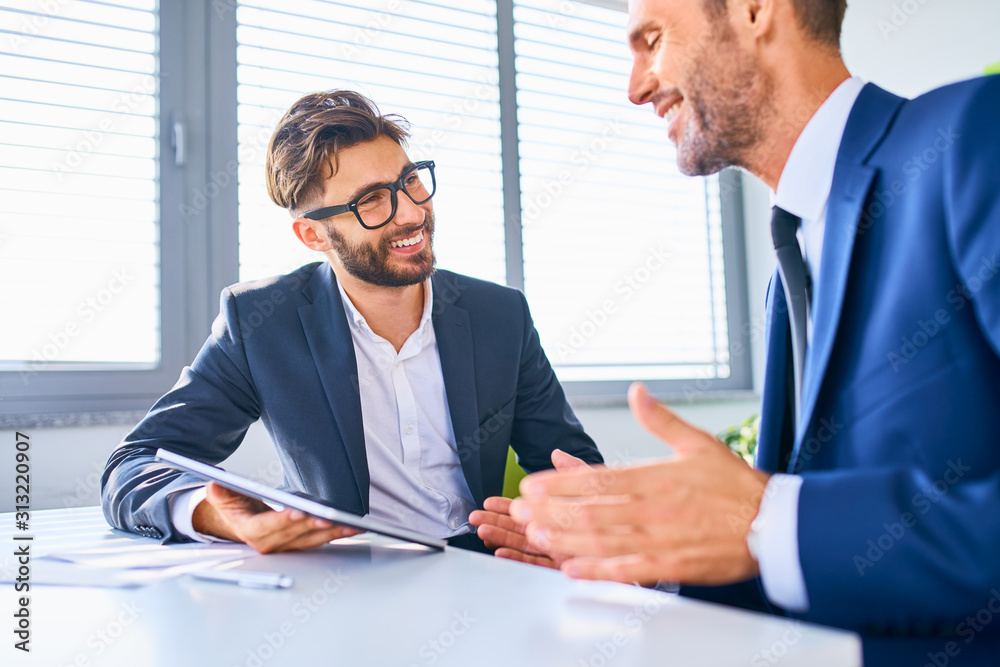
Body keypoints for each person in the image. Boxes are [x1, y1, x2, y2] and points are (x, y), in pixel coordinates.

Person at [472, 0, 1000, 662]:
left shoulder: (977, 135)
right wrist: (658, 558)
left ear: (755, 10)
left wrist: (769, 522)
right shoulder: (790, 272)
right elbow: (808, 564)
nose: (635, 88)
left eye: (654, 40)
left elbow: (788, 528)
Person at [101, 90, 603, 555]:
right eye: (371, 201)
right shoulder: (260, 323)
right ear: (313, 236)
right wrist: (221, 518)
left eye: (410, 180)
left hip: (483, 564)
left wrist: (580, 508)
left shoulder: (501, 315)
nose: (410, 212)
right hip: (341, 571)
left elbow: (571, 467)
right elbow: (134, 467)